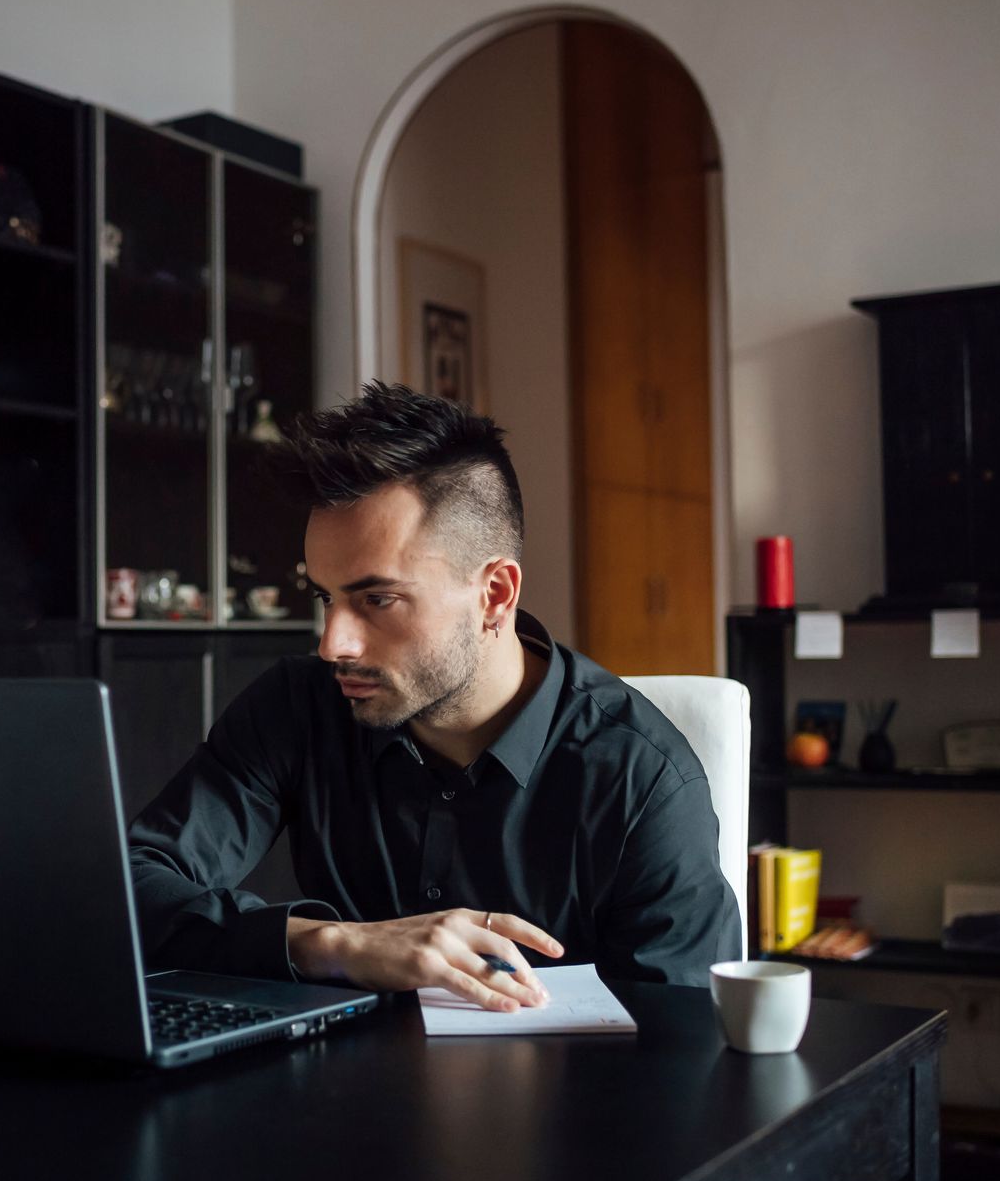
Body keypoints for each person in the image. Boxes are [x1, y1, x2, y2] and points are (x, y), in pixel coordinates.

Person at [127, 382, 740, 1011]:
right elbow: (128, 885)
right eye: (325, 599)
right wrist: (335, 944)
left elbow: (684, 1049)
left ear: (495, 595)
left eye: (377, 599)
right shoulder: (296, 706)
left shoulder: (642, 781)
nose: (333, 643)